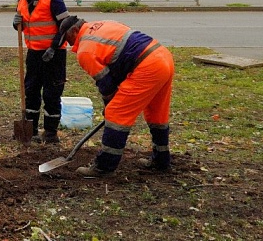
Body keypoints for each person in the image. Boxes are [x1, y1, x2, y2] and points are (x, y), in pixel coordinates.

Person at [58, 15, 175, 177]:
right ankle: (161, 161)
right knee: (157, 114)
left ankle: (104, 167)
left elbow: (107, 86)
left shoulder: (85, 49)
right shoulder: (104, 24)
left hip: (146, 66)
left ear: (76, 30)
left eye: (68, 38)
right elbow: (121, 55)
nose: (69, 44)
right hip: (162, 57)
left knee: (116, 114)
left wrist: (109, 106)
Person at [12, 0, 72, 144]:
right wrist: (16, 23)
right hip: (34, 54)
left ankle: (51, 133)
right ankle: (31, 130)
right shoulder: (22, 1)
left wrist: (53, 48)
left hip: (54, 55)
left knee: (52, 93)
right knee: (30, 91)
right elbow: (23, 25)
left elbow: (66, 25)